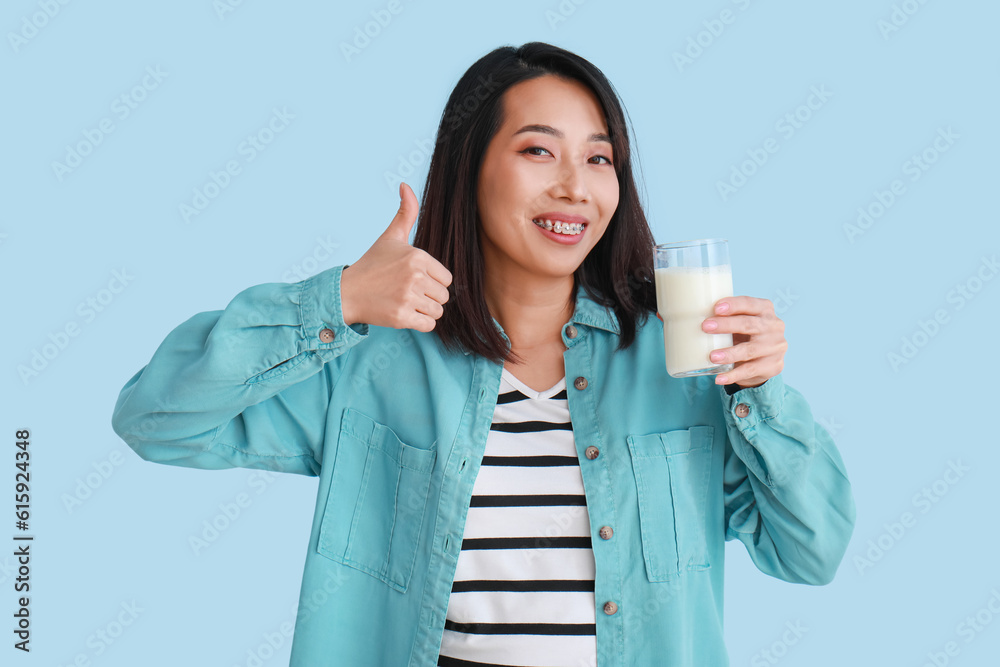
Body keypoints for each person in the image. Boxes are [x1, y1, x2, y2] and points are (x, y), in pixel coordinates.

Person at [111, 42, 856, 667]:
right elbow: (155, 416)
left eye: (599, 160)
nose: (575, 187)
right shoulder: (372, 363)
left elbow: (811, 551)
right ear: (469, 168)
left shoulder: (676, 362)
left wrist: (761, 394)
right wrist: (334, 302)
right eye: (539, 150)